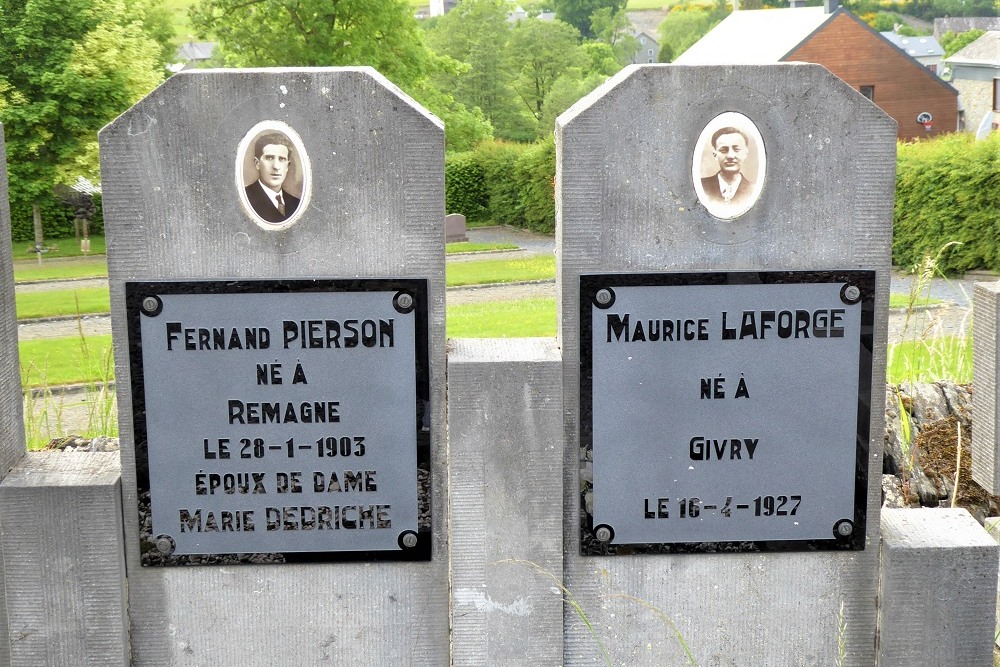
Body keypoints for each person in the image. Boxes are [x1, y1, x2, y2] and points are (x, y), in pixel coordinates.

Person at [244, 133, 300, 223]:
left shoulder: (296, 203)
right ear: (257, 163)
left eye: (282, 159)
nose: (276, 166)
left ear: (287, 166)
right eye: (269, 158)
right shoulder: (246, 198)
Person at [700, 127, 753, 209]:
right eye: (723, 150)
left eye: (736, 149)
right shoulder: (701, 187)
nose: (730, 156)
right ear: (715, 155)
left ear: (745, 153)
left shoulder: (753, 190)